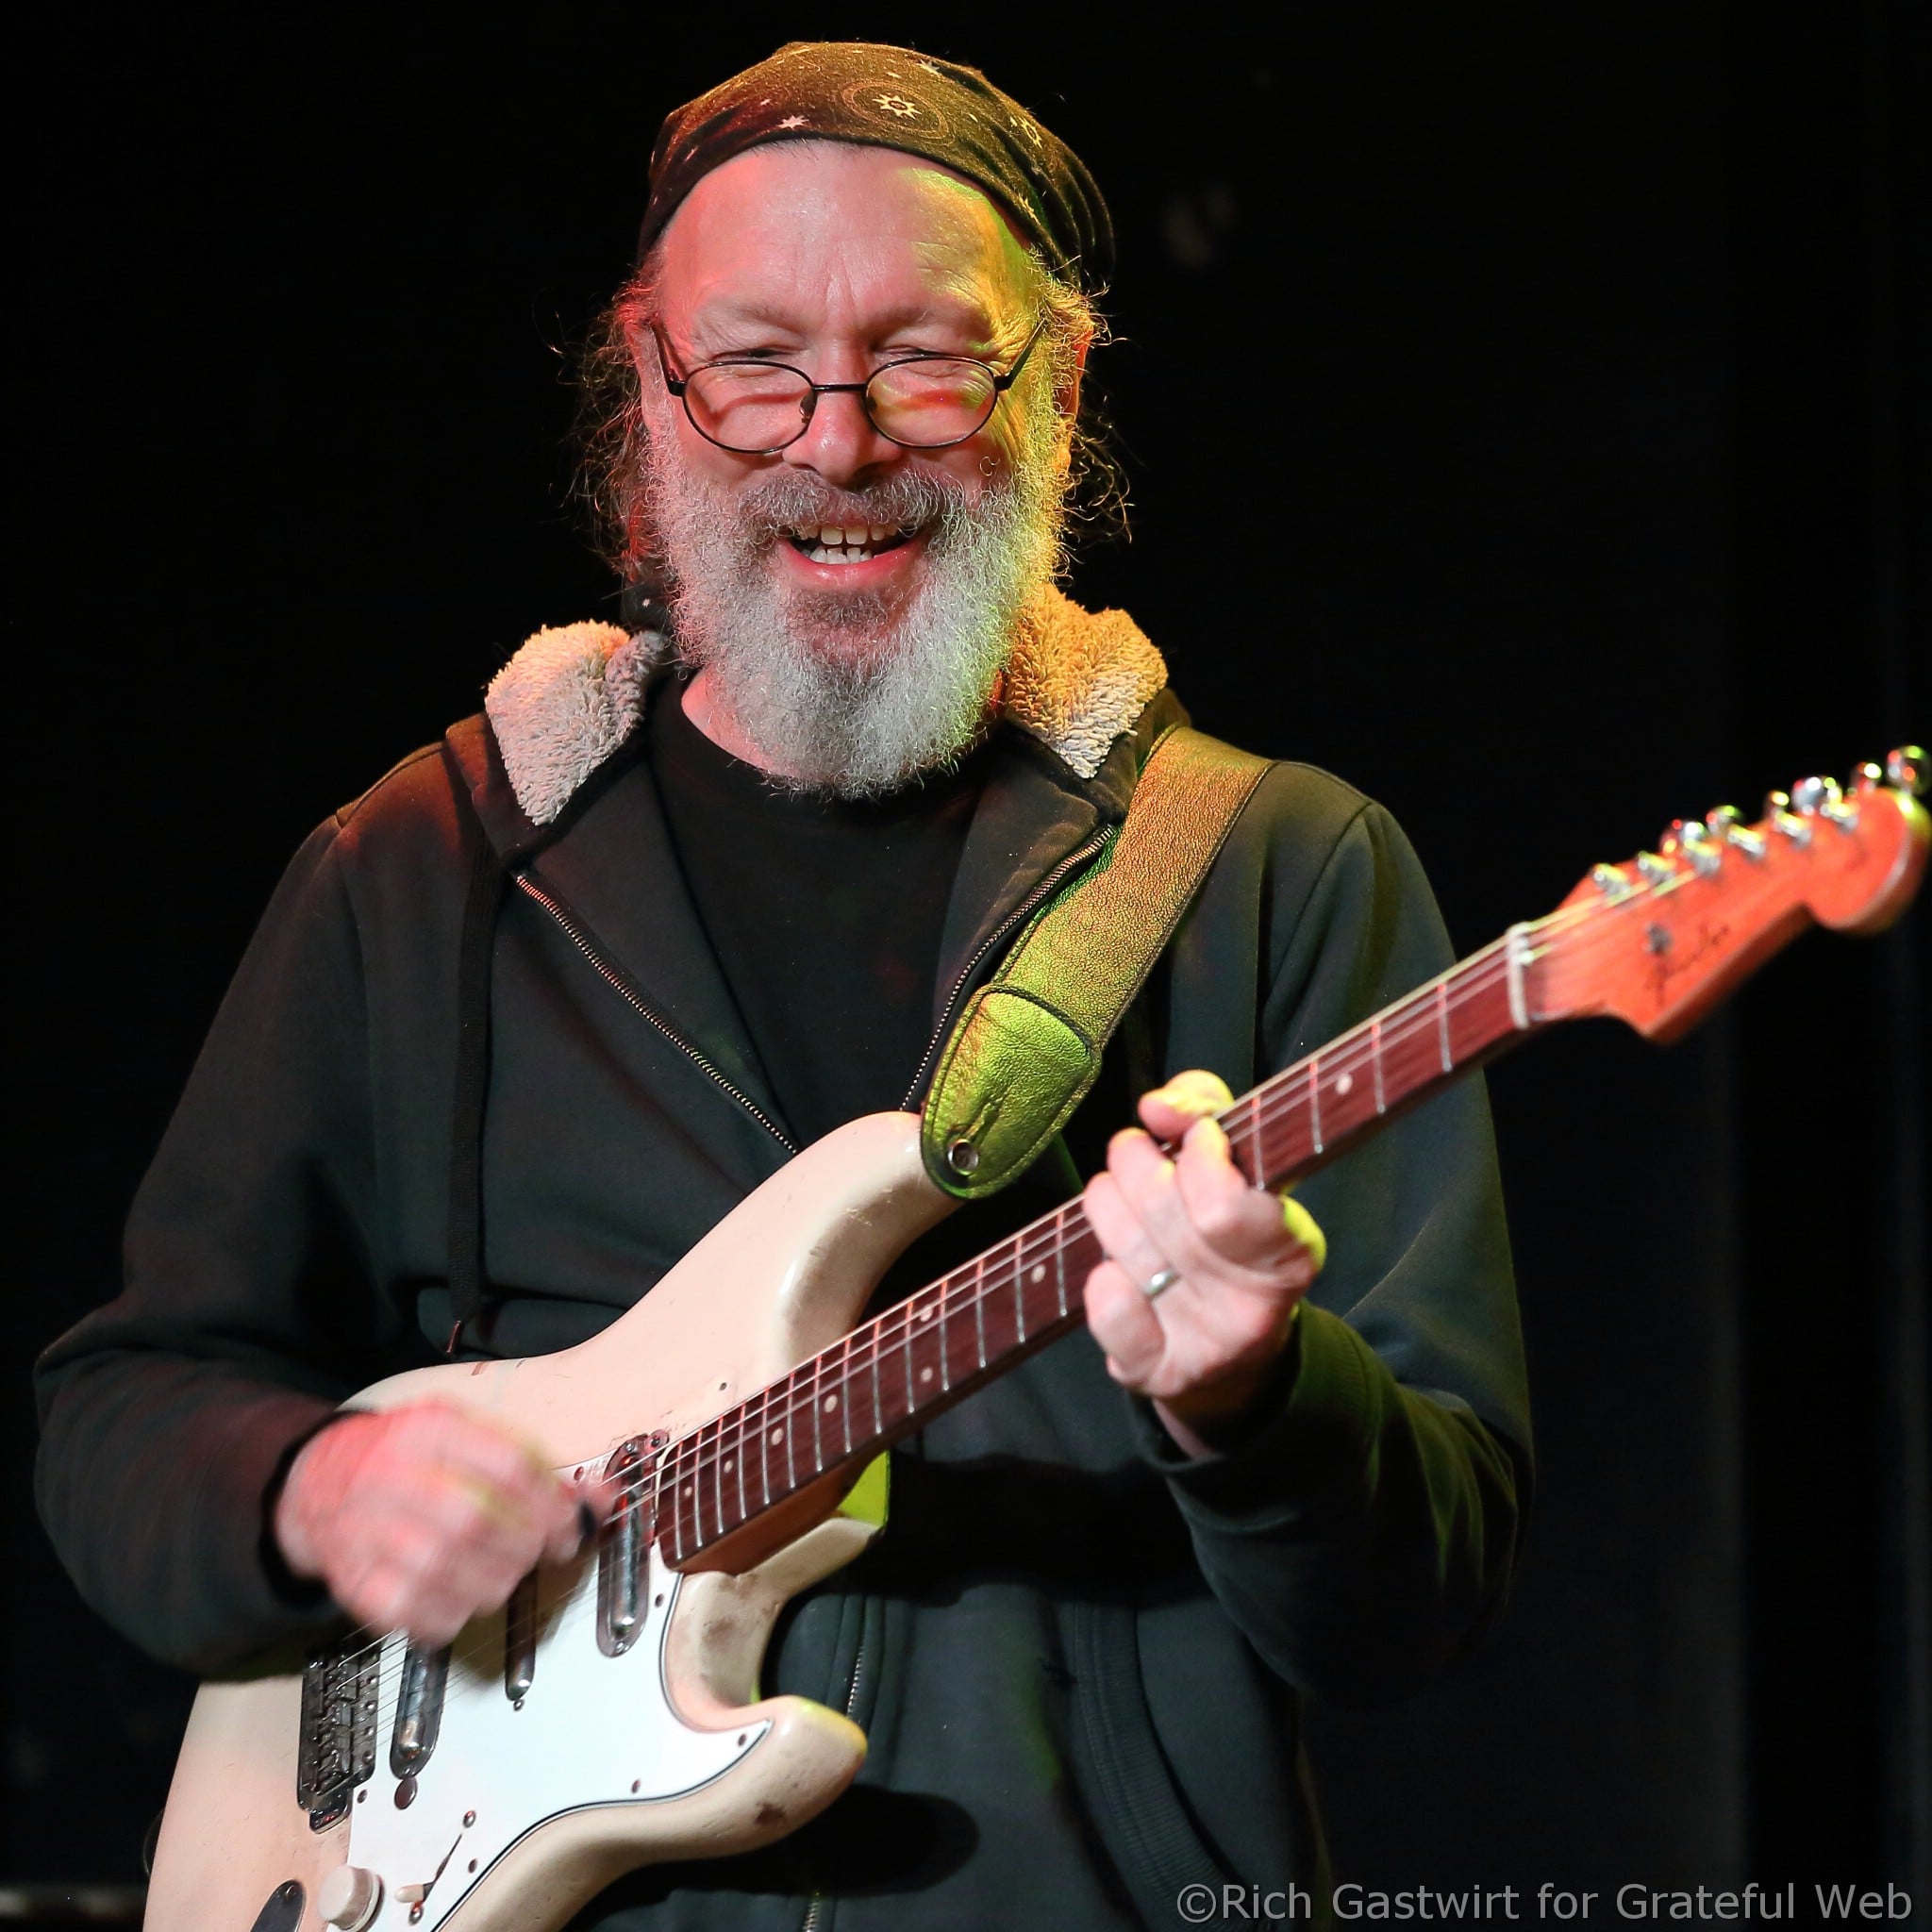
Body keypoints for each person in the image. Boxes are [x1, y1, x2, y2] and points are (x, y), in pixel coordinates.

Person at [34, 42, 1529, 1931]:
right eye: (755, 366)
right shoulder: (422, 870)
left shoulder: (1271, 871)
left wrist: (1252, 1399)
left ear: (1057, 389)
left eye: (923, 356)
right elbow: (122, 1411)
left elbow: (1426, 1604)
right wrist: (313, 1487)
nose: (836, 443)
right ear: (646, 385)